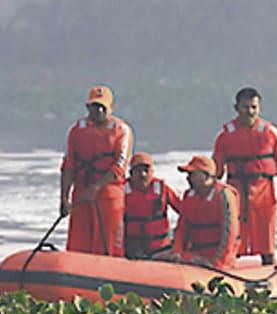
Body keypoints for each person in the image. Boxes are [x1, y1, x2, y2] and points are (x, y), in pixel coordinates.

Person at [212, 87, 277, 266]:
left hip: (265, 197)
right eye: (245, 107)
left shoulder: (271, 133)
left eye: (254, 107)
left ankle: (270, 277)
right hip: (236, 196)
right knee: (234, 244)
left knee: (267, 247)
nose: (250, 112)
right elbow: (216, 172)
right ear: (236, 108)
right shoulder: (225, 136)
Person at [59, 85, 134, 256]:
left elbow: (119, 167)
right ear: (88, 108)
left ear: (110, 108)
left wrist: (96, 187)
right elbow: (68, 165)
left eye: (103, 106)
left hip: (109, 194)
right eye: (94, 106)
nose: (99, 110)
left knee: (108, 245)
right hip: (81, 195)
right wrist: (64, 198)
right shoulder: (76, 130)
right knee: (78, 245)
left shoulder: (121, 130)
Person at [159, 156, 241, 269]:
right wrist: (177, 252)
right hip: (195, 256)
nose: (188, 178)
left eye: (192, 174)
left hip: (218, 260)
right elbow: (182, 227)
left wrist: (217, 262)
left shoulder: (224, 195)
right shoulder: (189, 196)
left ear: (206, 176)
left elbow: (229, 233)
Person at [122, 152, 185, 260]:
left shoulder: (163, 189)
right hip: (132, 250)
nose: (143, 175)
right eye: (138, 171)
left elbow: (185, 212)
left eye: (146, 170)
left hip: (162, 248)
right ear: (131, 173)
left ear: (152, 172)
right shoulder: (121, 191)